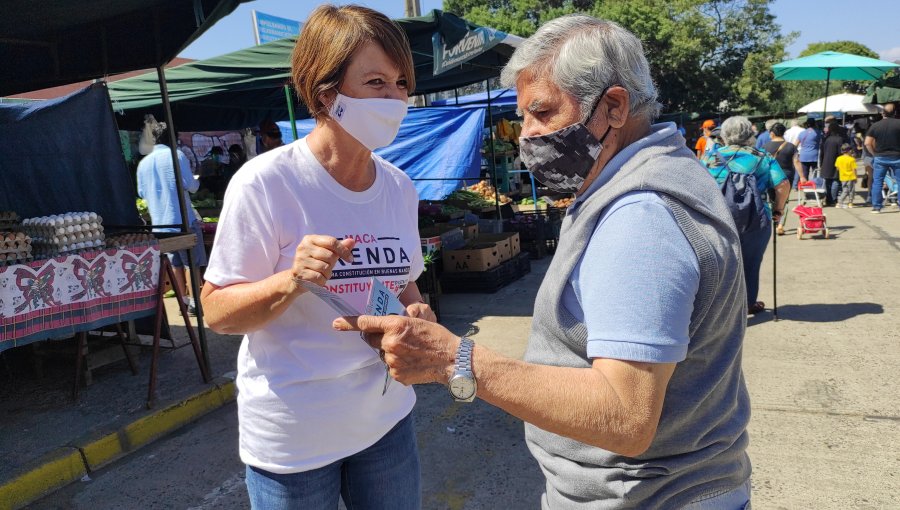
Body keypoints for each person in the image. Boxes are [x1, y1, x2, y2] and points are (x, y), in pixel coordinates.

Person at [335, 15, 753, 508]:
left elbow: (625, 414)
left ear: (614, 106)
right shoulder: (655, 178)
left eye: (543, 113)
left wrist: (454, 358)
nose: (527, 136)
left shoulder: (639, 221)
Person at [200, 5, 432, 509]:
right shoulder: (266, 183)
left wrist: (417, 313)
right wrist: (290, 281)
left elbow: (405, 283)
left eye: (400, 84)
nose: (394, 99)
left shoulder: (398, 188)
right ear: (328, 93)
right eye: (375, 82)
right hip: (295, 442)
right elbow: (216, 311)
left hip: (386, 421)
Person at [706, 116, 789, 315]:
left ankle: (719, 309)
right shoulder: (762, 157)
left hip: (720, 218)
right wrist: (778, 209)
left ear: (724, 135)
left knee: (721, 264)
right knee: (751, 263)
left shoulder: (711, 157)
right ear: (750, 134)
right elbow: (782, 185)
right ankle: (748, 304)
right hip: (756, 218)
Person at [136, 114, 207, 314]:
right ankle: (195, 303)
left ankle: (183, 301)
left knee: (175, 262)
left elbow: (141, 193)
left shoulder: (144, 164)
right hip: (182, 220)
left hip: (159, 224)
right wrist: (196, 180)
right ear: (172, 138)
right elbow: (191, 187)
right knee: (191, 264)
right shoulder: (177, 156)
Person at [765, 122, 805, 234]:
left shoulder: (765, 147)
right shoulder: (791, 146)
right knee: (783, 201)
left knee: (771, 200)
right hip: (786, 177)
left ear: (772, 133)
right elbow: (796, 161)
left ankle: (773, 221)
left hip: (770, 176)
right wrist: (802, 176)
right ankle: (780, 224)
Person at [865, 103, 900, 213]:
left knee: (877, 182)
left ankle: (876, 207)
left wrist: (874, 153)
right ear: (895, 113)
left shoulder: (875, 125)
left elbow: (867, 143)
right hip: (897, 157)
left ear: (882, 113)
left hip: (880, 157)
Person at [819, 121, 845, 206]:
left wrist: (821, 163)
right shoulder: (839, 139)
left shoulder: (825, 139)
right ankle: (833, 199)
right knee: (835, 181)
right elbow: (840, 153)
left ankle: (828, 198)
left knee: (827, 182)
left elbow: (821, 153)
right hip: (836, 162)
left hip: (825, 162)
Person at [797, 117, 822, 182]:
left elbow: (795, 144)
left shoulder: (802, 133)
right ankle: (814, 186)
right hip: (814, 155)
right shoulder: (818, 132)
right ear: (815, 124)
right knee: (815, 172)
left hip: (804, 156)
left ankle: (805, 187)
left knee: (805, 173)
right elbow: (821, 142)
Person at [836, 143, 858, 208]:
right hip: (851, 177)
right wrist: (856, 177)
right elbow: (854, 169)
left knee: (844, 189)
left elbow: (837, 168)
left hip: (842, 177)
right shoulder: (852, 159)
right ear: (849, 151)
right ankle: (850, 202)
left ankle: (840, 202)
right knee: (851, 190)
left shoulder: (839, 158)